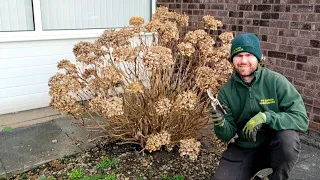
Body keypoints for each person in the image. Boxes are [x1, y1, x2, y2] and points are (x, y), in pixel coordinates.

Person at [211, 33, 309, 180]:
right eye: (238, 55)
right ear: (232, 59)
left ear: (258, 57)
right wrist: (220, 123)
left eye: (249, 55)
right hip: (245, 147)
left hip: (274, 145)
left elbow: (301, 119)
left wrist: (266, 117)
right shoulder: (226, 91)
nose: (243, 60)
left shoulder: (276, 82)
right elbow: (226, 135)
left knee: (288, 139)